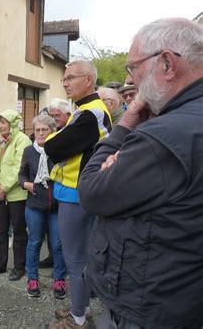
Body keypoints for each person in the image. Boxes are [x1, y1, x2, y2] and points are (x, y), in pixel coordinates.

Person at [79, 18, 203, 329]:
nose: (130, 80)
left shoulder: (162, 136)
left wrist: (127, 124)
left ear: (166, 63)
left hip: (150, 303)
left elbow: (92, 189)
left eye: (133, 67)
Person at [45, 60, 112, 329]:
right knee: (78, 258)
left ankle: (78, 319)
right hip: (75, 191)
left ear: (89, 80)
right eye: (64, 78)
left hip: (77, 193)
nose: (65, 82)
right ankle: (81, 309)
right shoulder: (85, 110)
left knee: (75, 259)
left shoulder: (90, 113)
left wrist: (50, 140)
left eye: (71, 77)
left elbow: (54, 147)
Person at [19, 114, 66, 299]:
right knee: (34, 242)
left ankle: (59, 279)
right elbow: (21, 174)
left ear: (52, 131)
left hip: (56, 206)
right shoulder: (29, 151)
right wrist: (26, 184)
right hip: (34, 206)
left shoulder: (59, 150)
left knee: (57, 244)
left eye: (44, 130)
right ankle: (32, 279)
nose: (40, 133)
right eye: (37, 130)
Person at [0, 109, 31, 281]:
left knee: (19, 231)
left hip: (16, 196)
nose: (0, 126)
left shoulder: (22, 140)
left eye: (3, 122)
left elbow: (18, 167)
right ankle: (0, 263)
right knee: (0, 230)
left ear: (12, 123)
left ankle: (19, 267)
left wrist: (3, 188)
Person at [38, 97, 72, 269]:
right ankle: (54, 258)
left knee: (63, 234)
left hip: (66, 190)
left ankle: (65, 265)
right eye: (51, 115)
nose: (54, 119)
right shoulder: (52, 131)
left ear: (67, 114)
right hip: (48, 195)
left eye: (57, 115)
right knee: (50, 232)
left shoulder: (71, 131)